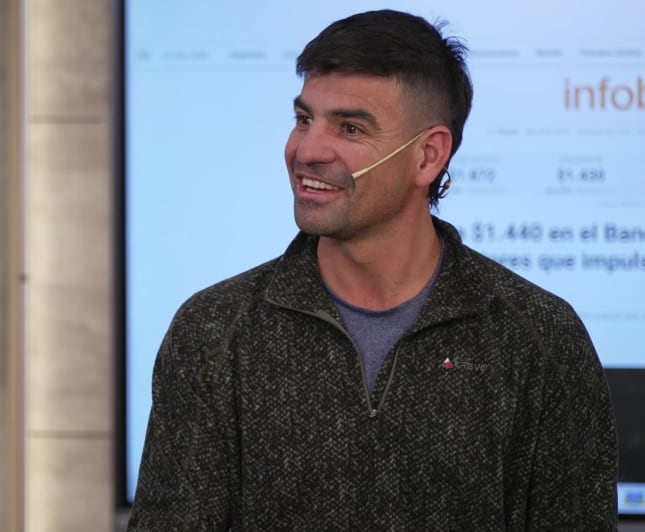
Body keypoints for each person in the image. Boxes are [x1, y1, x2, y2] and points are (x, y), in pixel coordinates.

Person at [128, 9, 618, 530]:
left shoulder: (539, 337)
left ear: (428, 155)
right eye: (304, 119)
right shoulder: (214, 331)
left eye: (350, 127)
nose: (307, 150)